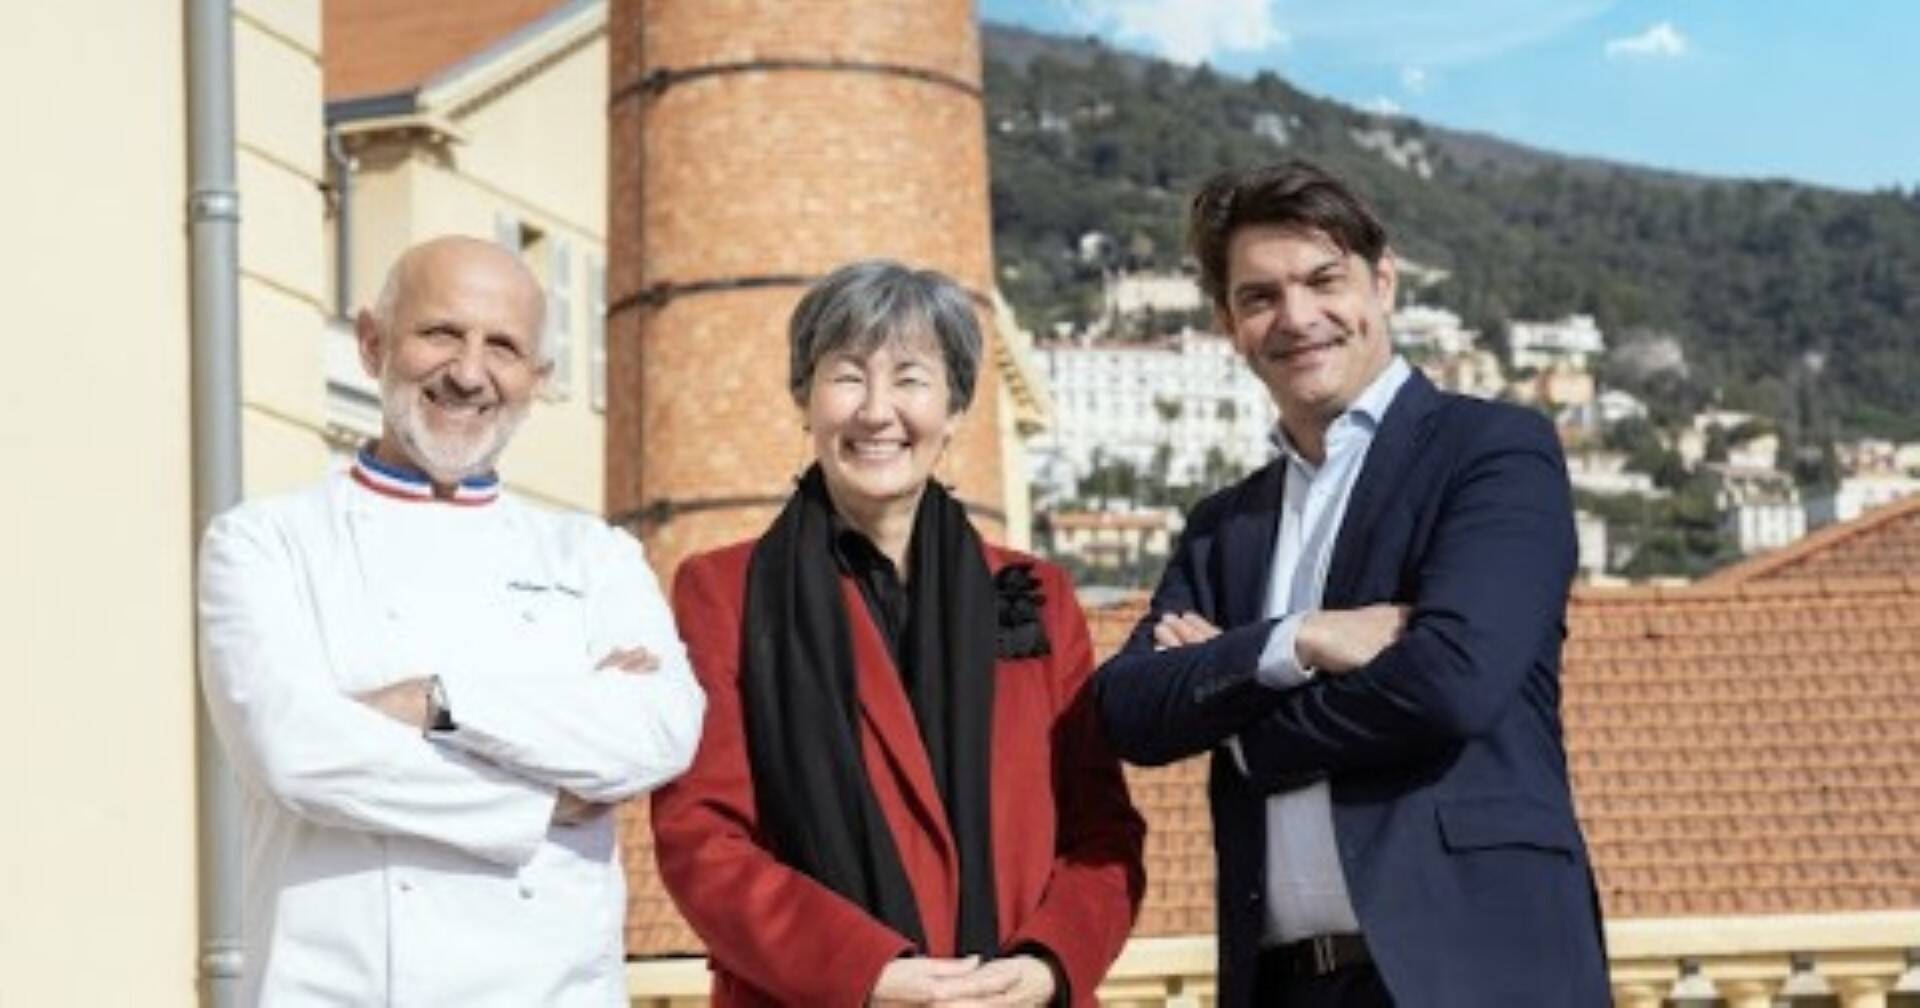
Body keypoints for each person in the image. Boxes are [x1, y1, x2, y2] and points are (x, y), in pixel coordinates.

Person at [1094, 160, 1610, 1007]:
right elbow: (1131, 709)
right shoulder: (1226, 527)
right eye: (1260, 296)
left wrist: (1242, 724)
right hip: (1286, 986)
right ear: (1230, 324)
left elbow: (1450, 682)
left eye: (1323, 281)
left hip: (1477, 971)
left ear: (1383, 281)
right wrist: (1297, 641)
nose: (1297, 317)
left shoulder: (1490, 453)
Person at [199, 235, 705, 1006]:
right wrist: (542, 801)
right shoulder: (264, 543)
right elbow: (296, 752)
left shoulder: (592, 555)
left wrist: (437, 703)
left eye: (502, 347)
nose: (469, 373)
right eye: (440, 333)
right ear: (372, 343)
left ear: (537, 379)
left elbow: (661, 729)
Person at [651, 260, 1146, 1007]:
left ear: (954, 408)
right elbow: (701, 839)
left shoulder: (1036, 595)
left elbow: (1101, 831)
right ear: (804, 400)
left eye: (911, 379)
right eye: (848, 376)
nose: (877, 411)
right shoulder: (723, 592)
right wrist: (863, 971)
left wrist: (1050, 962)